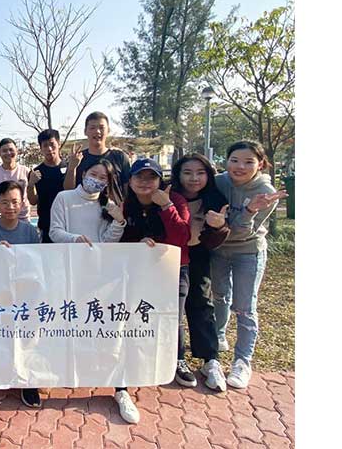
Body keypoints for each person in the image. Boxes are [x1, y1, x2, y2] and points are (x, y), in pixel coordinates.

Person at [118, 158, 190, 424]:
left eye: (151, 177)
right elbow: (121, 239)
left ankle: (178, 360)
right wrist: (139, 242)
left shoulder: (175, 200)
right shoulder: (127, 205)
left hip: (172, 269)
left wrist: (167, 206)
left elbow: (182, 237)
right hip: (138, 272)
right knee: (136, 317)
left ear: (160, 180)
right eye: (139, 177)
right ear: (130, 181)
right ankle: (132, 366)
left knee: (172, 317)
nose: (145, 182)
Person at [211, 141, 288, 389]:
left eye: (248, 162)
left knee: (244, 307)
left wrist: (250, 209)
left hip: (248, 251)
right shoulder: (218, 182)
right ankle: (219, 335)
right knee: (219, 295)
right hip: (219, 249)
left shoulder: (265, 192)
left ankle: (242, 361)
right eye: (234, 160)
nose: (240, 167)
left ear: (260, 164)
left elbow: (241, 232)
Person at [0, 181, 42, 408]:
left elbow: (37, 266)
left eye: (15, 202)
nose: (10, 207)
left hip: (24, 296)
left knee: (26, 339)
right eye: (5, 202)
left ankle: (28, 382)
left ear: (22, 203)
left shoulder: (31, 231)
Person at [170, 153, 231, 392]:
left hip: (198, 254)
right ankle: (176, 358)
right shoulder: (167, 195)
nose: (193, 178)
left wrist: (219, 226)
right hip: (169, 256)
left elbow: (215, 241)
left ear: (208, 175)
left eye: (200, 173)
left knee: (202, 304)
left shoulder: (215, 199)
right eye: (187, 173)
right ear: (178, 175)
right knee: (171, 309)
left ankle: (210, 360)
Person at [48, 159, 126, 245]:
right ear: (84, 174)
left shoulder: (109, 206)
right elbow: (55, 232)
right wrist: (74, 239)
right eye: (93, 174)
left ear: (107, 182)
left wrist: (118, 222)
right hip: (70, 252)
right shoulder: (63, 197)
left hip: (97, 253)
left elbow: (108, 242)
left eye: (102, 178)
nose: (96, 179)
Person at [63, 111, 131, 191]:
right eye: (92, 128)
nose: (97, 131)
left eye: (101, 128)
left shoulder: (120, 157)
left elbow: (127, 189)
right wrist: (72, 168)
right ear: (85, 131)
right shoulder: (77, 158)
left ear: (108, 130)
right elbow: (68, 190)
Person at [27, 129, 68, 243]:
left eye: (52, 144)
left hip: (68, 224)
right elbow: (33, 201)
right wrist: (31, 184)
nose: (49, 149)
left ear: (59, 144)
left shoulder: (70, 168)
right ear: (41, 148)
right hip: (46, 225)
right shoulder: (36, 172)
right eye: (45, 146)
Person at [0, 138, 31, 221]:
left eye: (11, 150)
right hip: (0, 220)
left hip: (23, 219)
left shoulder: (26, 171)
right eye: (4, 151)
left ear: (17, 151)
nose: (8, 153)